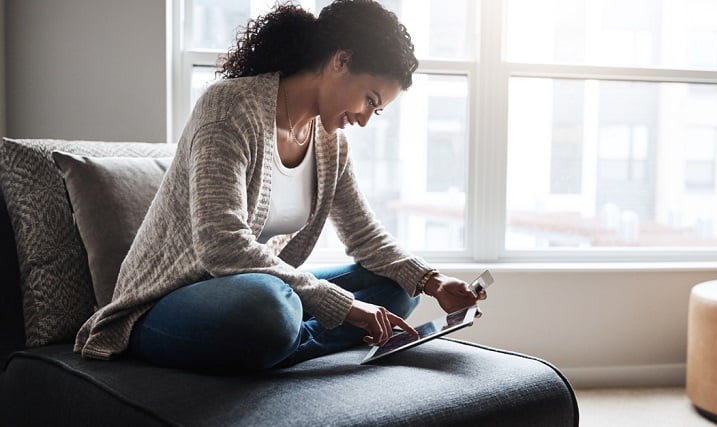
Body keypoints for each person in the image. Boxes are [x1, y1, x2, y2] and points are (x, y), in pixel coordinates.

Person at [73, 0, 486, 371]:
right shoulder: (230, 107)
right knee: (270, 308)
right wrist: (341, 307)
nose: (364, 117)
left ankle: (281, 344)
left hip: (253, 291)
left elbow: (364, 235)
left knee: (399, 288)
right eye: (370, 100)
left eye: (376, 112)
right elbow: (221, 245)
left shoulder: (330, 144)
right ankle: (287, 337)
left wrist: (432, 281)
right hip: (167, 303)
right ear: (341, 60)